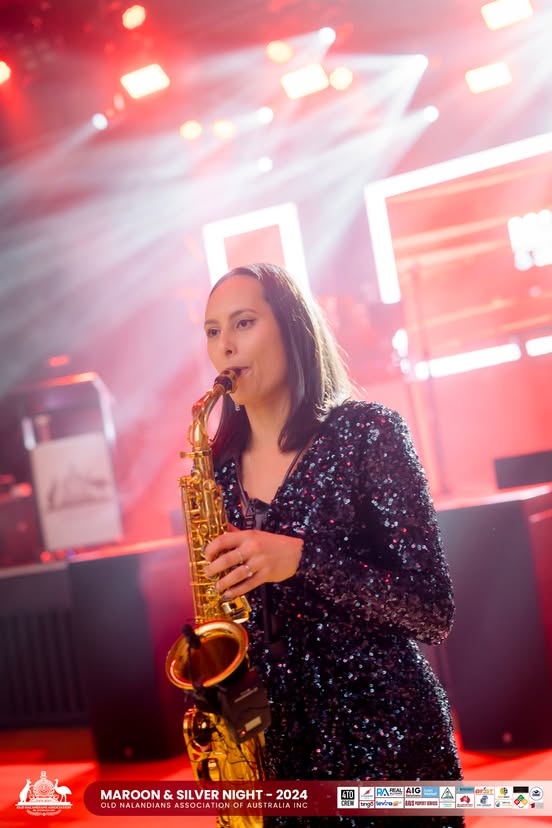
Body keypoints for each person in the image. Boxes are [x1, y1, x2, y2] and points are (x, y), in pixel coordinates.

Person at [203, 262, 464, 827]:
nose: (225, 346)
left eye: (243, 323)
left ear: (292, 326)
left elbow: (431, 610)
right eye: (213, 331)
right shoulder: (215, 475)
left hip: (385, 740)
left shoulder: (369, 432)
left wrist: (300, 559)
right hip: (279, 751)